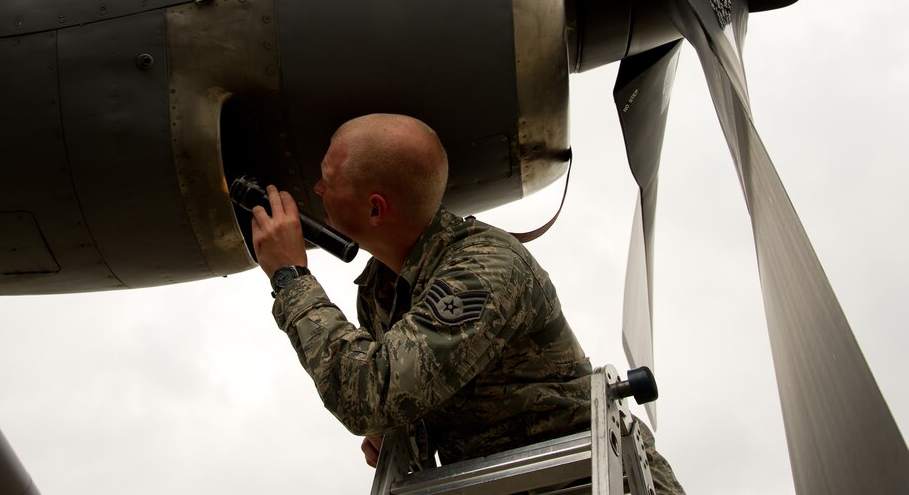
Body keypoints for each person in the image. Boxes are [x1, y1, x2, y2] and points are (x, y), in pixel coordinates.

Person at [250, 113, 684, 493]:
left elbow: (369, 394)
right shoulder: (380, 292)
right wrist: (396, 433)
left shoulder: (485, 269)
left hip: (592, 480)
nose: (317, 188)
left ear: (376, 210)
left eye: (330, 179)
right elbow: (399, 405)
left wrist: (291, 278)